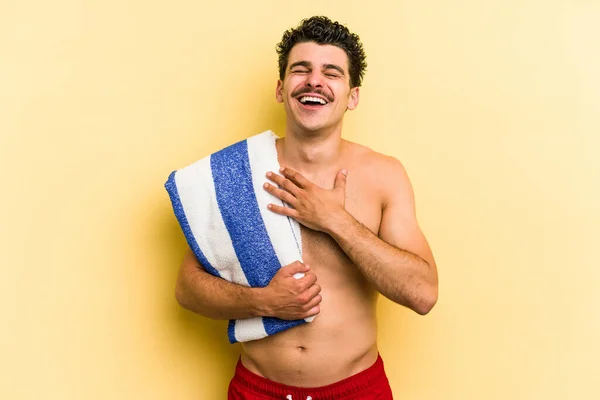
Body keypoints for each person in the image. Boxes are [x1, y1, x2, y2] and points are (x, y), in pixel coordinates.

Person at [174, 15, 438, 399]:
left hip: (356, 390)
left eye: (332, 73)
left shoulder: (383, 175)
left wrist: (335, 220)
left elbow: (423, 294)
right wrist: (262, 301)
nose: (315, 81)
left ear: (353, 95)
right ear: (282, 89)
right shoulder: (238, 172)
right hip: (257, 390)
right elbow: (187, 289)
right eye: (301, 70)